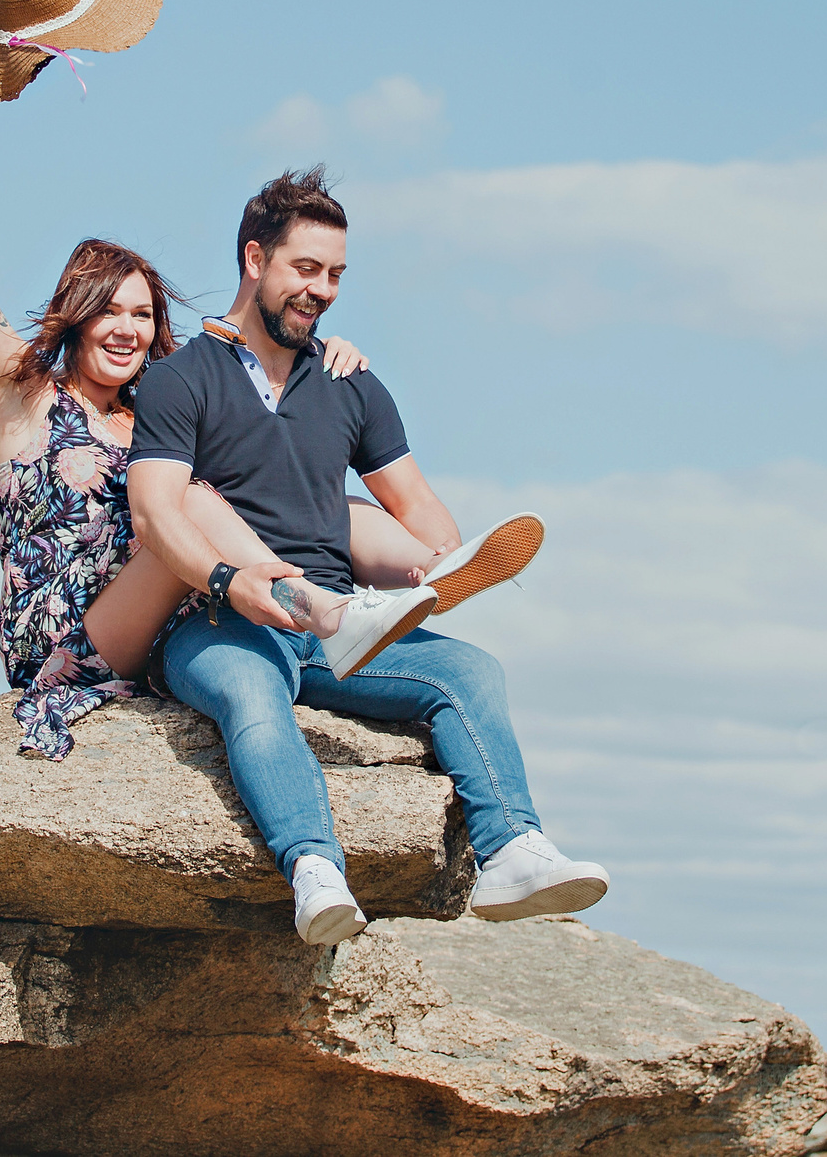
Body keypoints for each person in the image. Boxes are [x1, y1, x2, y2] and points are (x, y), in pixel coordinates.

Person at [0, 60, 516, 761]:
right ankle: (325, 611)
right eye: (108, 309)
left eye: (142, 314)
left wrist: (323, 358)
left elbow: (261, 404)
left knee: (325, 500)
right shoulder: (24, 397)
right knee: (195, 499)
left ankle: (431, 567)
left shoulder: (156, 410)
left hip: (165, 625)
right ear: (76, 316)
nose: (127, 328)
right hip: (74, 639)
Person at [126, 167, 608, 944]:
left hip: (333, 627)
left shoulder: (351, 383)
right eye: (306, 270)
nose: (322, 290)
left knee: (470, 671)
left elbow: (414, 500)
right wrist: (225, 579)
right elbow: (155, 509)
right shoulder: (182, 379)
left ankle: (512, 846)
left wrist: (443, 558)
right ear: (255, 260)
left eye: (337, 275)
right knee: (252, 696)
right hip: (220, 620)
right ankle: (314, 867)